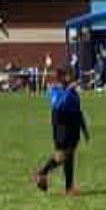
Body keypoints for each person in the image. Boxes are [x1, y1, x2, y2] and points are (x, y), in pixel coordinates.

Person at [31, 67, 88, 196]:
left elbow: (78, 110)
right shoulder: (54, 90)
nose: (72, 78)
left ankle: (69, 188)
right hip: (62, 126)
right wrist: (68, 90)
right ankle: (42, 172)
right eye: (68, 76)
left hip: (73, 125)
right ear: (61, 78)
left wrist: (84, 128)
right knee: (61, 156)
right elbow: (58, 105)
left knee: (70, 155)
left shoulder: (73, 92)